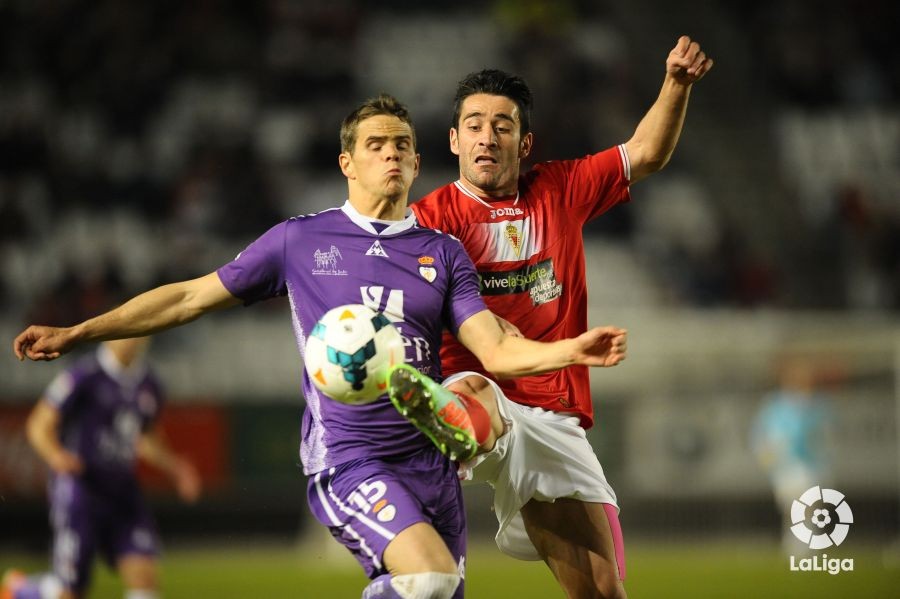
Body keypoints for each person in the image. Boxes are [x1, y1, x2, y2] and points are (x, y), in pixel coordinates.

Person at [13, 94, 628, 599]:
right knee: (429, 576)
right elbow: (188, 299)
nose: (391, 154)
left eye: (402, 146)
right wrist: (80, 331)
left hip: (432, 466)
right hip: (351, 459)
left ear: (417, 164)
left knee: (425, 589)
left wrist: (570, 350)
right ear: (346, 164)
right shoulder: (300, 242)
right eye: (376, 145)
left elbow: (494, 350)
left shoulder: (442, 254)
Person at [395, 36, 713, 599]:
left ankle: (459, 431)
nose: (486, 136)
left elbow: (647, 153)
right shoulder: (428, 220)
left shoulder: (560, 189)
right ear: (453, 140)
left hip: (556, 413)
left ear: (525, 141)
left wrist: (676, 84)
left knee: (601, 589)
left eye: (502, 125)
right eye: (473, 125)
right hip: (481, 387)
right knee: (474, 391)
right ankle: (454, 431)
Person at [1, 337, 201, 599]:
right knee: (70, 592)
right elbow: (39, 423)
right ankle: (21, 590)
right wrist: (56, 455)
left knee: (144, 576)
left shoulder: (148, 383)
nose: (135, 338)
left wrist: (176, 468)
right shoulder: (84, 375)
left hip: (122, 490)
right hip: (80, 489)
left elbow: (146, 437)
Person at [751, 355, 832, 555]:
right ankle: (797, 545)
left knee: (809, 505)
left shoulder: (817, 406)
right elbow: (762, 435)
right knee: (792, 506)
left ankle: (804, 545)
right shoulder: (776, 406)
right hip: (785, 466)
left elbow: (824, 437)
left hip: (810, 465)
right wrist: (767, 456)